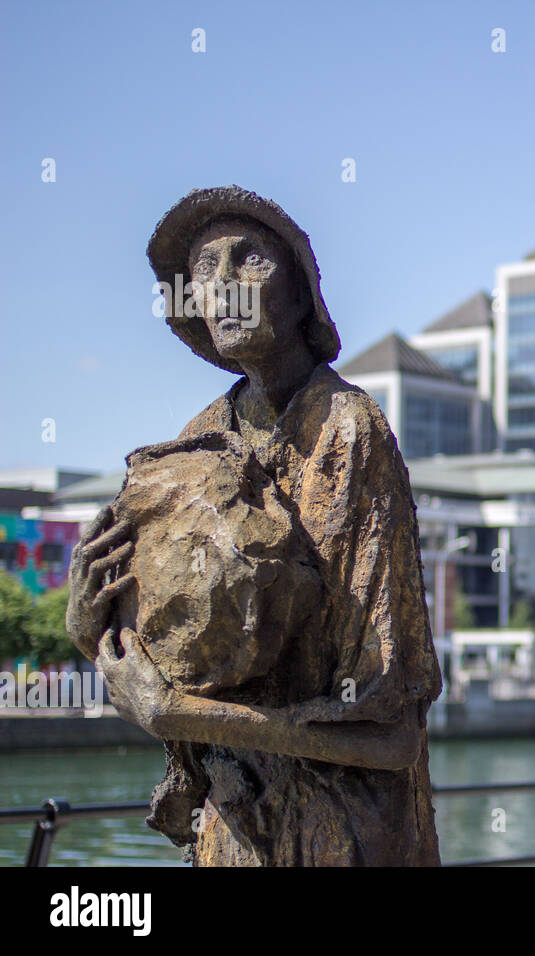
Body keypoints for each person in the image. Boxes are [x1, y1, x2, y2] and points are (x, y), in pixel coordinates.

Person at [65, 186, 442, 865]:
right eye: (205, 270)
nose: (225, 285)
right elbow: (163, 657)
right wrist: (89, 626)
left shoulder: (348, 430)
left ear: (300, 294)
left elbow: (391, 737)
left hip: (341, 833)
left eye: (250, 259)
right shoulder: (198, 440)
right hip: (233, 826)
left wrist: (175, 714)